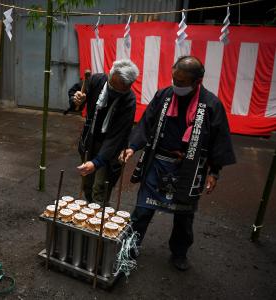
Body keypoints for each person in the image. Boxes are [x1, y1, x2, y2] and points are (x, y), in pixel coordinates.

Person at [119, 56, 236, 271]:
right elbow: (146, 122)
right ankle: (130, 247)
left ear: (196, 81)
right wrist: (132, 147)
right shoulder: (164, 95)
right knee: (142, 210)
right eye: (174, 79)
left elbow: (219, 141)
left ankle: (179, 252)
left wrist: (214, 172)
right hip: (158, 162)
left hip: (189, 168)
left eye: (181, 82)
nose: (176, 85)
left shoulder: (211, 105)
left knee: (184, 216)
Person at [73, 59, 139, 203]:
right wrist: (76, 98)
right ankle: (88, 217)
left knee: (100, 189)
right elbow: (77, 92)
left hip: (111, 149)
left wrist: (97, 162)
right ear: (110, 75)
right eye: (112, 86)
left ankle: (99, 219)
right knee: (87, 185)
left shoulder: (128, 100)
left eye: (119, 90)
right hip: (89, 141)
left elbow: (116, 138)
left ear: (129, 86)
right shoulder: (97, 80)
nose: (113, 91)